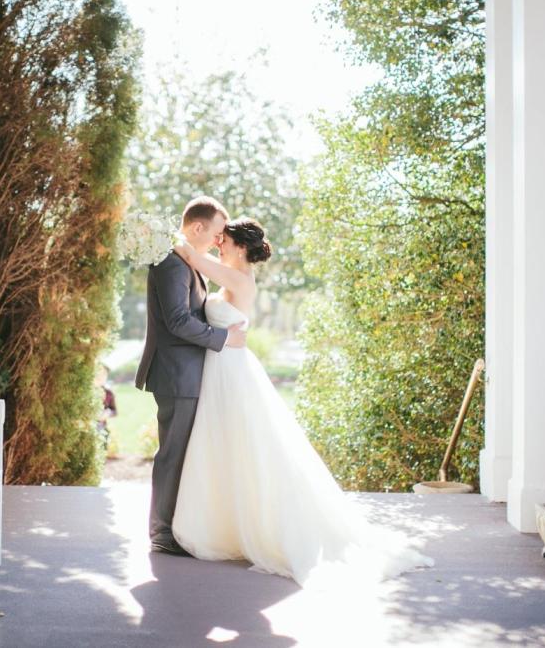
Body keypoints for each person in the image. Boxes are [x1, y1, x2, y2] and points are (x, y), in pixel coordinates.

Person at [170, 216, 433, 587]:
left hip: (232, 369)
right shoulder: (228, 274)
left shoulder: (239, 277)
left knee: (249, 446)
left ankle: (263, 527)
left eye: (224, 240)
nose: (218, 244)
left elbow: (191, 257)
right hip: (222, 365)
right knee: (227, 445)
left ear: (241, 247)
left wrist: (163, 235)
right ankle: (227, 521)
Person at [134, 196, 248, 555]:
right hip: (175, 373)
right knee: (173, 454)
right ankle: (162, 533)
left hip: (189, 373)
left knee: (185, 453)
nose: (218, 240)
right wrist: (224, 338)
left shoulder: (190, 263)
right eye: (216, 231)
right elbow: (178, 321)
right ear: (198, 227)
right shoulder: (171, 264)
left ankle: (176, 527)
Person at [95, 363, 116, 449]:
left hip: (102, 426)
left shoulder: (108, 392)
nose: (102, 377)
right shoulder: (87, 391)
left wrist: (108, 413)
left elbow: (114, 410)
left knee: (103, 446)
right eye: (99, 373)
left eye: (105, 374)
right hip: (89, 427)